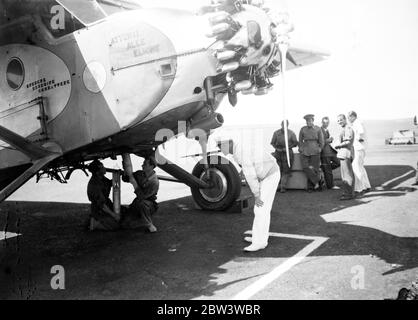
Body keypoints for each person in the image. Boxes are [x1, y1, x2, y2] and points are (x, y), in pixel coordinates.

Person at [217, 138, 280, 252]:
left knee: (261, 209)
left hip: (270, 176)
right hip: (267, 174)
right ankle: (258, 237)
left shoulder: (240, 151)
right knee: (262, 210)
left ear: (229, 143)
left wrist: (256, 194)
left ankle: (259, 242)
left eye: (221, 146)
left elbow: (250, 176)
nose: (221, 150)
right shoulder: (239, 148)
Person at [121, 156, 159, 233]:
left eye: (145, 164)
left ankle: (150, 225)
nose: (142, 165)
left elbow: (142, 197)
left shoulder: (154, 182)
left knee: (142, 204)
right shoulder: (140, 174)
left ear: (151, 166)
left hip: (149, 204)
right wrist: (125, 170)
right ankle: (140, 219)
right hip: (137, 202)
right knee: (124, 224)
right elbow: (126, 179)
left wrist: (135, 184)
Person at [87, 160, 120, 231]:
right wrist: (114, 215)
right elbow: (102, 205)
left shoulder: (101, 178)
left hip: (107, 204)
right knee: (116, 226)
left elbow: (109, 183)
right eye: (102, 167)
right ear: (97, 172)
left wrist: (118, 176)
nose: (105, 168)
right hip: (99, 210)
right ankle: (94, 223)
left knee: (123, 216)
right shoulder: (94, 184)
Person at [298, 114, 325, 192]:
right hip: (305, 150)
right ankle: (319, 181)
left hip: (315, 150)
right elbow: (300, 141)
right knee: (305, 167)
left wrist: (320, 148)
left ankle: (311, 187)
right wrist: (301, 148)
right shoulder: (303, 129)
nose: (308, 122)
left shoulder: (318, 129)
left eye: (310, 120)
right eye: (307, 121)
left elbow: (321, 141)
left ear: (313, 121)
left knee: (315, 169)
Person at [271, 120, 298, 193]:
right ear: (281, 124)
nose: (284, 126)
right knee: (278, 170)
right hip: (278, 154)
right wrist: (277, 149)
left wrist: (288, 147)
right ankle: (277, 187)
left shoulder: (291, 133)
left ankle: (283, 187)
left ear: (288, 125)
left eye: (286, 124)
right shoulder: (276, 133)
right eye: (283, 124)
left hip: (288, 154)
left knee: (286, 171)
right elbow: (272, 143)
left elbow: (295, 143)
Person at [348, 111, 371, 194]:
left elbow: (361, 132)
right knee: (360, 167)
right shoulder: (358, 122)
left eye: (349, 117)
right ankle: (367, 186)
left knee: (356, 168)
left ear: (353, 116)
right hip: (361, 148)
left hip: (358, 148)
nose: (348, 119)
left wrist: (358, 138)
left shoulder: (357, 122)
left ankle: (359, 189)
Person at [335, 115, 355, 200]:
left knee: (347, 175)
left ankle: (349, 194)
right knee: (344, 175)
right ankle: (347, 192)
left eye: (341, 120)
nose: (339, 122)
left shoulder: (348, 128)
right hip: (343, 153)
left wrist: (338, 145)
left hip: (346, 153)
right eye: (338, 121)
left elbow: (348, 141)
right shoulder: (344, 128)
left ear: (345, 119)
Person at [320, 117, 340, 189]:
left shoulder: (327, 130)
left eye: (327, 123)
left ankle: (323, 169)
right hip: (324, 152)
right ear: (321, 122)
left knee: (338, 162)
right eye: (324, 122)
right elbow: (319, 141)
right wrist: (328, 140)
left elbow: (326, 140)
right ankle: (330, 185)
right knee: (327, 169)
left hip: (330, 151)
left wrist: (330, 140)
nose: (326, 124)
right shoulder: (320, 130)